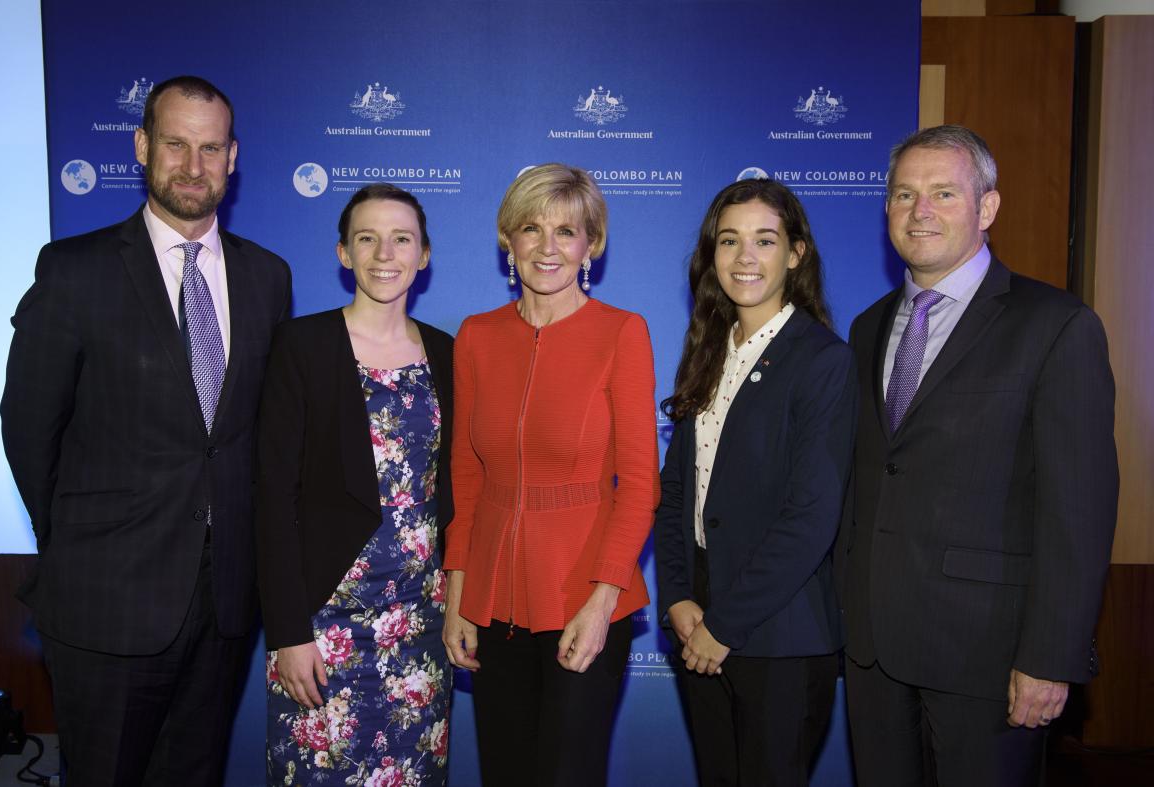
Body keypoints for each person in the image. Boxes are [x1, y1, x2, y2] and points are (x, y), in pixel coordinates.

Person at [0, 75, 291, 785]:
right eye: (176, 144)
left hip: (222, 605)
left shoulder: (267, 278)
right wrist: (82, 542)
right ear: (141, 147)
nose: (194, 165)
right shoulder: (75, 271)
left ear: (233, 158)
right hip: (106, 601)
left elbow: (258, 436)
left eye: (211, 147)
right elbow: (28, 428)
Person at [839, 124, 1119, 786]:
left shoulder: (1056, 326)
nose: (920, 212)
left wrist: (1050, 656)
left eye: (942, 193)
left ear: (987, 207)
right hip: (873, 648)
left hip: (988, 657)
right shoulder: (867, 327)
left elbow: (1077, 511)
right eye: (904, 195)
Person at [441, 163, 659, 786]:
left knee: (568, 774)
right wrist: (458, 597)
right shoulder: (477, 337)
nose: (548, 247)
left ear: (591, 244)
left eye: (567, 231)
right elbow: (467, 477)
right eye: (531, 229)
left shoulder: (622, 332)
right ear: (507, 240)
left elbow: (641, 483)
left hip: (585, 599)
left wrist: (602, 599)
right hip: (492, 603)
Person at [654, 178, 856, 786]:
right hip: (700, 619)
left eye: (764, 241)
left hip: (779, 632)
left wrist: (725, 624)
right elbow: (675, 498)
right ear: (711, 255)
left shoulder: (822, 360)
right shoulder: (709, 350)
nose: (745, 258)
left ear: (795, 253)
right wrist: (680, 598)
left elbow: (812, 517)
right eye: (730, 241)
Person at [256, 184, 453, 783]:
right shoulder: (302, 346)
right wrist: (288, 633)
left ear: (424, 255)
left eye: (402, 239)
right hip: (324, 626)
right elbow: (272, 498)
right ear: (344, 252)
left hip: (419, 624)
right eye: (367, 238)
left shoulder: (447, 352)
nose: (384, 253)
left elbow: (458, 492)